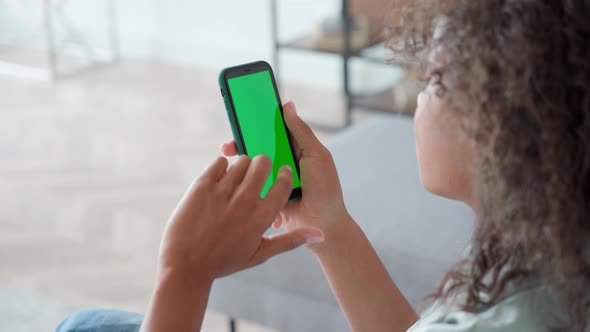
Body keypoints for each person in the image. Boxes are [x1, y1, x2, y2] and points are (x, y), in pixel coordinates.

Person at [56, 0, 590, 331]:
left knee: (83, 325)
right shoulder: (550, 252)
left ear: (507, 132)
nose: (416, 100)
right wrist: (327, 226)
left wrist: (184, 274)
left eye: (434, 81)